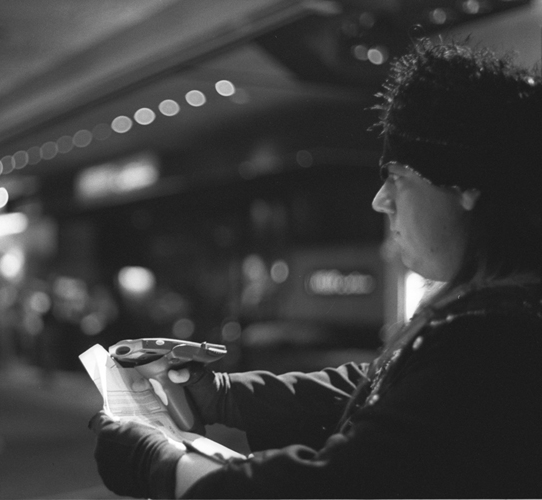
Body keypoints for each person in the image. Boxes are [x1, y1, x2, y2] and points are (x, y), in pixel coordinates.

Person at [90, 38, 542, 498]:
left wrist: (161, 465)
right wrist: (224, 394)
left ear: (464, 185)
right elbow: (384, 384)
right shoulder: (508, 313)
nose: (380, 199)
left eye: (398, 177)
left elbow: (340, 485)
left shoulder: (496, 335)